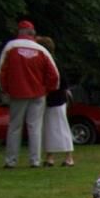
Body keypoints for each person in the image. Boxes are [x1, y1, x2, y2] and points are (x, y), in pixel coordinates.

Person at [0, 20, 60, 169]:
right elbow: (54, 75)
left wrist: (5, 89)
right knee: (35, 127)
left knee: (14, 127)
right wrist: (47, 89)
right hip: (38, 93)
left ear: (19, 32)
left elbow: (1, 72)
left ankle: (11, 160)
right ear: (33, 34)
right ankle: (35, 160)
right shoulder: (41, 50)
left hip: (17, 92)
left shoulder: (11, 47)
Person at [35, 36, 73, 166]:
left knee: (60, 127)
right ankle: (52, 156)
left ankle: (66, 156)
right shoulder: (52, 61)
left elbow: (62, 81)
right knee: (52, 128)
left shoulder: (51, 63)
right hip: (54, 98)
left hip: (55, 99)